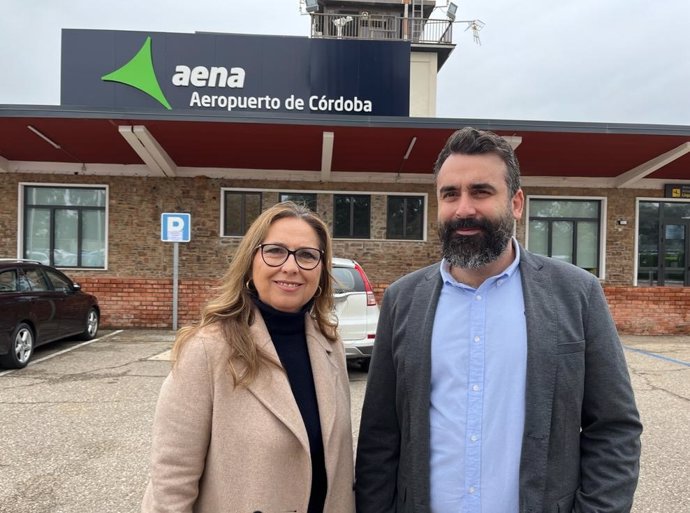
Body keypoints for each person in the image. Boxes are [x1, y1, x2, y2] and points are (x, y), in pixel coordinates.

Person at [355, 127, 642, 513]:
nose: (464, 209)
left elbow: (613, 428)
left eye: (481, 191)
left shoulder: (576, 293)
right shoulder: (403, 299)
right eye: (450, 194)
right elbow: (380, 434)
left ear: (517, 202)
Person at [142, 201, 355, 513]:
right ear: (251, 260)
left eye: (307, 255)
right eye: (276, 251)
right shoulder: (206, 349)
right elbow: (170, 482)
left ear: (322, 270)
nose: (291, 267)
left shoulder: (330, 345)